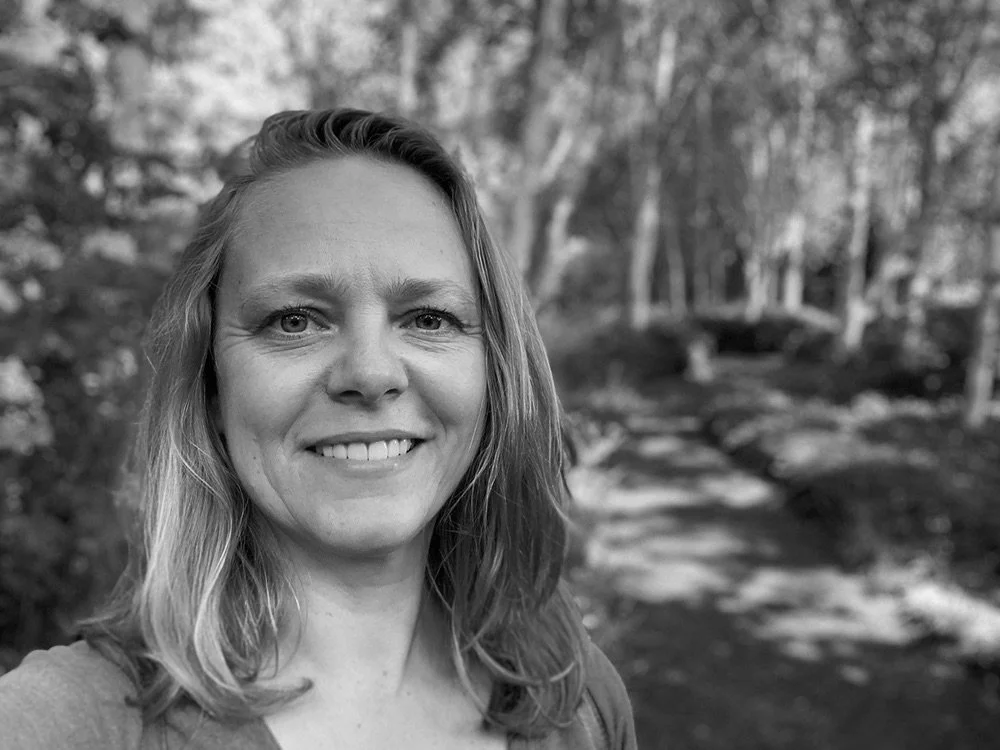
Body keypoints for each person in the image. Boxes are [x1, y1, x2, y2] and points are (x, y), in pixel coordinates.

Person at [0, 108, 636, 749]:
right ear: (212, 386)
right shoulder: (75, 723)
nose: (370, 372)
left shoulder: (572, 698)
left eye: (429, 318)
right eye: (296, 320)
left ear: (494, 373)